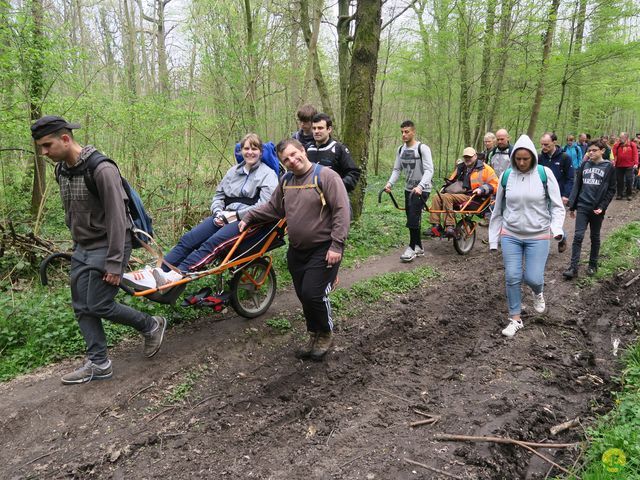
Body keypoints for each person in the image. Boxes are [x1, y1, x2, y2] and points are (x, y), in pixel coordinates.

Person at [31, 116, 166, 385]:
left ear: (66, 139)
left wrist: (115, 263)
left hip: (109, 245)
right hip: (83, 246)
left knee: (99, 303)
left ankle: (151, 325)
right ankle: (99, 363)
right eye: (41, 147)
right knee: (81, 306)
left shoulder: (101, 169)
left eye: (47, 145)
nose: (44, 152)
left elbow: (118, 218)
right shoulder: (63, 171)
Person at [239, 138, 350, 361]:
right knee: (303, 295)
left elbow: (341, 210)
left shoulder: (326, 176)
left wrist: (337, 244)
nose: (291, 160)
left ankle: (326, 333)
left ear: (302, 150)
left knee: (313, 293)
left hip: (324, 248)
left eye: (293, 154)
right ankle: (313, 334)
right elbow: (273, 208)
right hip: (297, 250)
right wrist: (249, 216)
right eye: (285, 159)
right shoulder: (286, 180)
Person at [124, 133, 279, 288]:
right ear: (240, 151)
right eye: (246, 148)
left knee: (213, 243)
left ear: (261, 151)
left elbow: (264, 205)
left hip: (247, 220)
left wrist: (235, 215)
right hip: (223, 215)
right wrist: (218, 211)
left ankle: (176, 274)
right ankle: (157, 272)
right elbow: (219, 195)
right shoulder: (232, 172)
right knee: (188, 239)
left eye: (254, 148)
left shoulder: (267, 174)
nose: (250, 152)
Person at [489, 134, 565, 338]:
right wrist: (493, 239)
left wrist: (556, 229)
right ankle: (515, 319)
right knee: (512, 276)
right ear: (513, 157)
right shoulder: (507, 176)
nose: (522, 163)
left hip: (538, 235)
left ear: (533, 157)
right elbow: (497, 210)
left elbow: (558, 206)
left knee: (533, 277)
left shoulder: (544, 174)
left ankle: (537, 292)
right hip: (511, 234)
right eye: (518, 159)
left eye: (526, 159)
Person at [562, 140, 616, 279]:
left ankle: (592, 265)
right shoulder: (584, 164)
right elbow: (577, 185)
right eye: (589, 150)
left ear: (602, 151)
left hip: (597, 208)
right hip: (583, 206)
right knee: (578, 236)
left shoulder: (609, 167)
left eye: (594, 150)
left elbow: (611, 189)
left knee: (595, 236)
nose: (591, 153)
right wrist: (572, 207)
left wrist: (602, 206)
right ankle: (573, 268)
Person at [384, 120, 434, 262]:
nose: (404, 135)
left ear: (413, 132)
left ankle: (411, 248)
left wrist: (420, 186)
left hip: (422, 189)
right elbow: (397, 169)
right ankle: (419, 246)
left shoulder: (423, 148)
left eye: (407, 132)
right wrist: (389, 184)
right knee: (412, 217)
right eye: (402, 132)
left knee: (413, 216)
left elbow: (429, 170)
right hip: (408, 189)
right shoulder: (401, 150)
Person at [429, 147, 498, 237]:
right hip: (459, 194)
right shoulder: (461, 167)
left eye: (469, 156)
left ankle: (450, 226)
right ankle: (436, 226)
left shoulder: (486, 169)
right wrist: (444, 188)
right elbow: (451, 180)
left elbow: (495, 184)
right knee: (436, 197)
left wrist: (481, 189)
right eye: (465, 157)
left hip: (474, 197)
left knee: (447, 197)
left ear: (475, 156)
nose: (467, 159)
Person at [306, 113, 361, 193]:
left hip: (333, 198)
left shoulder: (338, 148)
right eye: (314, 128)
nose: (316, 131)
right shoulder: (307, 149)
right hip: (310, 199)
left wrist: (337, 186)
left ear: (329, 129)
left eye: (320, 128)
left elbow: (353, 173)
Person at [538, 133, 574, 253]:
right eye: (542, 144)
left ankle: (562, 236)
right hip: (541, 194)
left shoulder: (565, 157)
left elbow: (570, 178)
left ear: (554, 142)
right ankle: (542, 247)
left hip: (559, 194)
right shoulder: (539, 158)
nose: (544, 147)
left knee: (555, 218)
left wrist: (566, 195)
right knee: (542, 219)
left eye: (546, 144)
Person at [612, 132, 638, 201]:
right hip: (619, 165)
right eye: (620, 137)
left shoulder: (632, 145)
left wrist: (636, 163)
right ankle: (619, 194)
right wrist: (613, 162)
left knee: (629, 180)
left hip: (629, 165)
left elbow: (635, 154)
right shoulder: (616, 145)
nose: (620, 139)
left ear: (626, 137)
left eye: (622, 137)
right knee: (619, 181)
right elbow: (613, 155)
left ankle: (629, 194)